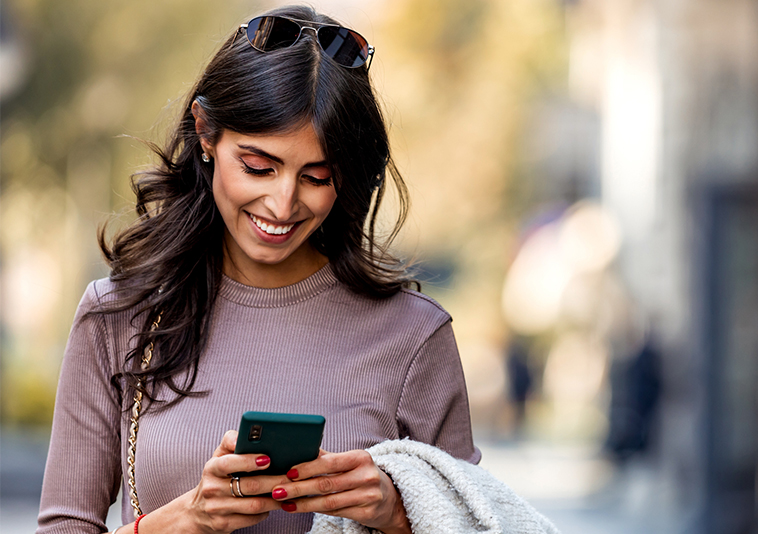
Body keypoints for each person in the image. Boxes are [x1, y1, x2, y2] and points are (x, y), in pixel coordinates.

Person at [36, 5, 480, 534]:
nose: (283, 202)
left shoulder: (414, 336)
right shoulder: (119, 316)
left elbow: (473, 520)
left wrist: (398, 512)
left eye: (317, 177)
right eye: (258, 167)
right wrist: (187, 518)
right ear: (205, 133)